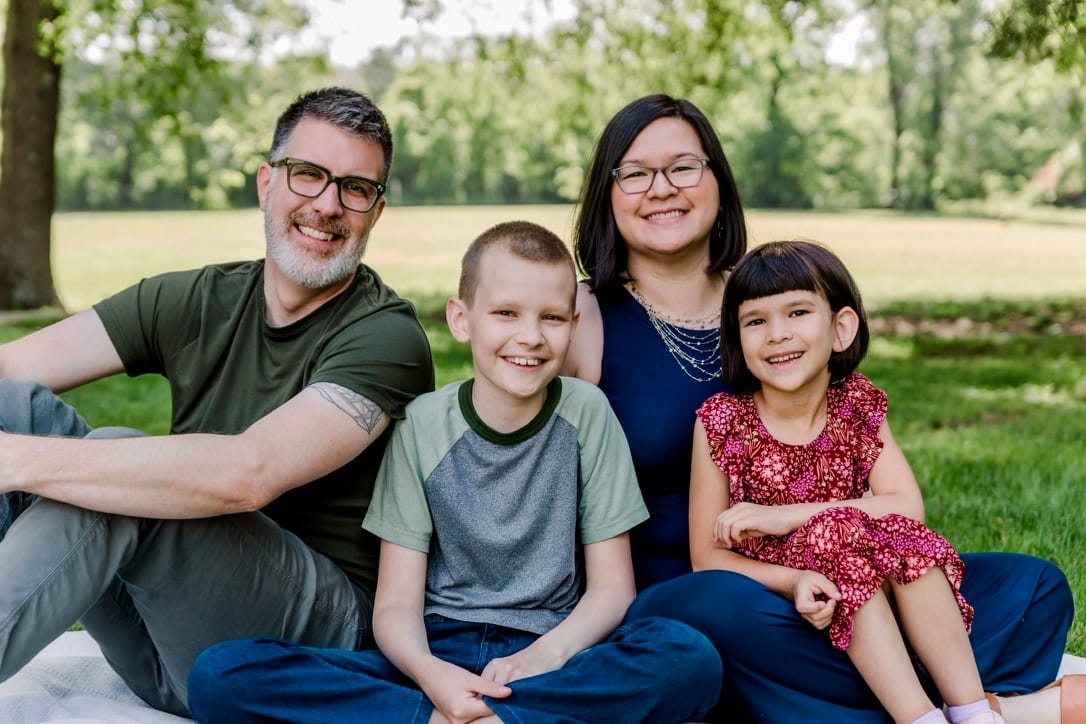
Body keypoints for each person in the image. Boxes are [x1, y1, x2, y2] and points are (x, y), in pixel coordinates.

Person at [562, 93, 1076, 722]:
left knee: (1031, 588)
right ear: (607, 192)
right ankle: (949, 702)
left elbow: (877, 482)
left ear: (718, 180)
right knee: (711, 621)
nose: (661, 189)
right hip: (711, 591)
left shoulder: (772, 293)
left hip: (843, 579)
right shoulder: (583, 315)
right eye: (635, 172)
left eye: (684, 167)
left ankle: (869, 696)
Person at [0, 87, 434, 717]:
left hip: (302, 644)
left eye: (355, 188)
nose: (327, 205)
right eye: (307, 175)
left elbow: (246, 476)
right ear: (266, 183)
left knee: (115, 462)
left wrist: (14, 463)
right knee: (15, 410)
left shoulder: (386, 336)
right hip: (158, 637)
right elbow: (10, 370)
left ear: (376, 210)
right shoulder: (200, 298)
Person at [186, 220, 723, 724]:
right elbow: (396, 602)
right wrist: (430, 675)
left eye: (551, 318)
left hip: (552, 653)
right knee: (221, 675)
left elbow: (612, 588)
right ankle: (467, 717)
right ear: (461, 319)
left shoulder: (586, 413)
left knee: (688, 657)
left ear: (573, 324)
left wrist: (544, 656)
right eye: (506, 313)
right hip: (437, 651)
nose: (530, 337)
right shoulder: (422, 426)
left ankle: (480, 715)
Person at [694, 239, 999, 724]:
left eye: (797, 313)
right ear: (737, 340)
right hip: (787, 595)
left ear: (841, 328)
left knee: (928, 550)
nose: (777, 334)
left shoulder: (856, 403)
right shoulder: (723, 420)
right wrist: (795, 579)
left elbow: (906, 507)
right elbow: (706, 558)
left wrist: (783, 517)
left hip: (871, 586)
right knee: (835, 535)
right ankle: (919, 718)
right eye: (756, 321)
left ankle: (974, 712)